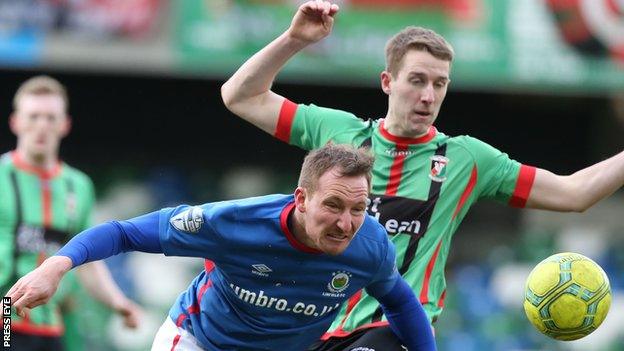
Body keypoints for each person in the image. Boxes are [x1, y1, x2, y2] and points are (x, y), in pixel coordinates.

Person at [220, 0, 624, 349]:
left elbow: (575, 193)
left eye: (439, 83)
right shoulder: (338, 133)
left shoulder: (468, 159)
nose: (428, 96)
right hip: (315, 327)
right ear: (388, 81)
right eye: (417, 80)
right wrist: (296, 40)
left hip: (394, 333)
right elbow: (240, 95)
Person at [6, 144, 438, 351]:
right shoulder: (233, 223)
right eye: (333, 206)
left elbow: (400, 302)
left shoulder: (370, 245)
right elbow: (123, 232)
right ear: (301, 199)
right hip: (198, 343)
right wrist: (56, 267)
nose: (346, 223)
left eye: (358, 208)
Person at [0, 75, 141, 351]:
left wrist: (117, 301)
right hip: (5, 315)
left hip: (53, 322)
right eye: (33, 116)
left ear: (64, 125)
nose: (41, 126)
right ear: (15, 121)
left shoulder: (78, 186)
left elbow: (86, 258)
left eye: (50, 118)